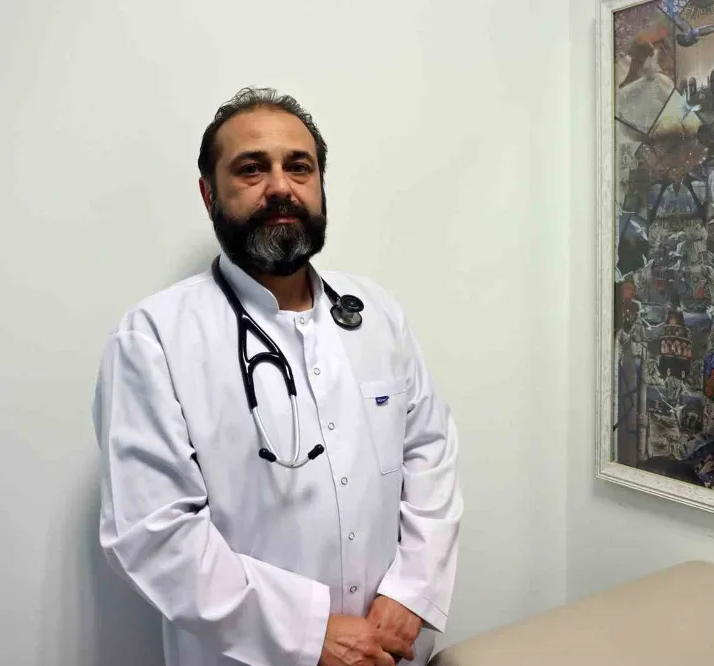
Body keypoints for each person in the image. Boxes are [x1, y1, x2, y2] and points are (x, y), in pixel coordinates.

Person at [92, 87, 463, 666]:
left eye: (299, 167)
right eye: (251, 169)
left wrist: (412, 591)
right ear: (209, 194)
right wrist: (308, 634)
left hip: (390, 645)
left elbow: (429, 455)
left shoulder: (377, 313)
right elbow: (153, 533)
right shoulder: (154, 338)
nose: (281, 187)